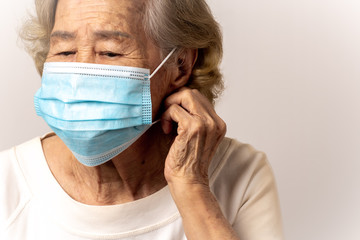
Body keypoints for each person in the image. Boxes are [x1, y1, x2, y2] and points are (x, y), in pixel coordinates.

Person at [0, 0, 284, 239]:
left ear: (180, 65)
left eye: (110, 52)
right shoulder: (7, 181)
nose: (80, 73)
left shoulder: (241, 175)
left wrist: (192, 188)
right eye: (65, 51)